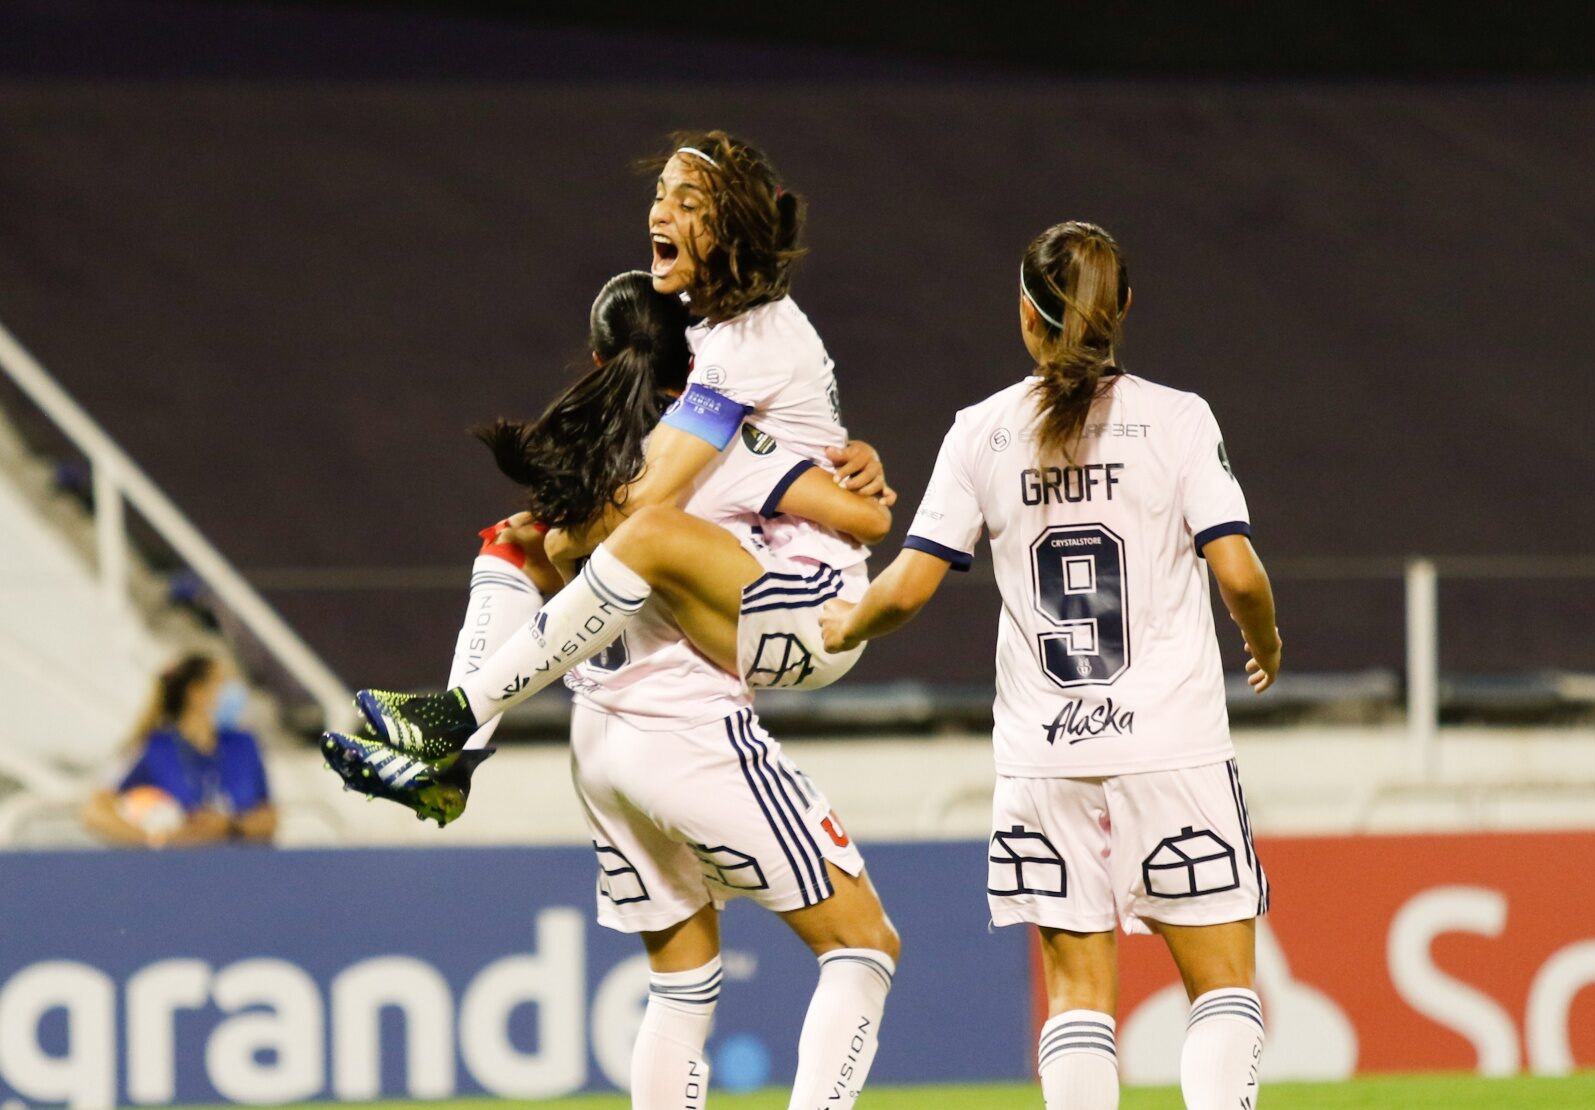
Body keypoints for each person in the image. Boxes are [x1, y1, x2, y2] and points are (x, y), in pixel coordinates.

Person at [325, 264, 902, 1110]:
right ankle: (457, 723)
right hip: (695, 737)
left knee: (682, 984)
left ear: (599, 364)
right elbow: (869, 517)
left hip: (599, 745)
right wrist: (854, 467)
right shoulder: (721, 441)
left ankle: (458, 743)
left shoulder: (579, 467)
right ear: (698, 363)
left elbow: (537, 556)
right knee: (862, 948)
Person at [819, 221, 1282, 1110]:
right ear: (1126, 311)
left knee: (1076, 998)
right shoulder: (1179, 419)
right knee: (1222, 989)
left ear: (1026, 320)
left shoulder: (981, 433)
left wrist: (843, 626)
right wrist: (1262, 641)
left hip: (1044, 757)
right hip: (1172, 748)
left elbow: (908, 589)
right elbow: (1238, 571)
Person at [349, 132, 884, 779]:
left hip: (811, 611)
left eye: (687, 202)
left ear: (733, 228)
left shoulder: (746, 349)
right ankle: (451, 766)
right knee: (520, 540)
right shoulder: (711, 341)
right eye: (660, 195)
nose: (660, 212)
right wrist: (560, 543)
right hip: (744, 594)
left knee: (634, 530)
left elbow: (869, 518)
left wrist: (569, 545)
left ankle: (454, 719)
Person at [81, 653, 277, 847]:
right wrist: (155, 840)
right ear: (196, 693)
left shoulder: (244, 745)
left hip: (242, 868)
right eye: (223, 683)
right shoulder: (153, 747)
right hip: (180, 870)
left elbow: (270, 818)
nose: (235, 694)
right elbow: (95, 812)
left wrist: (231, 827)